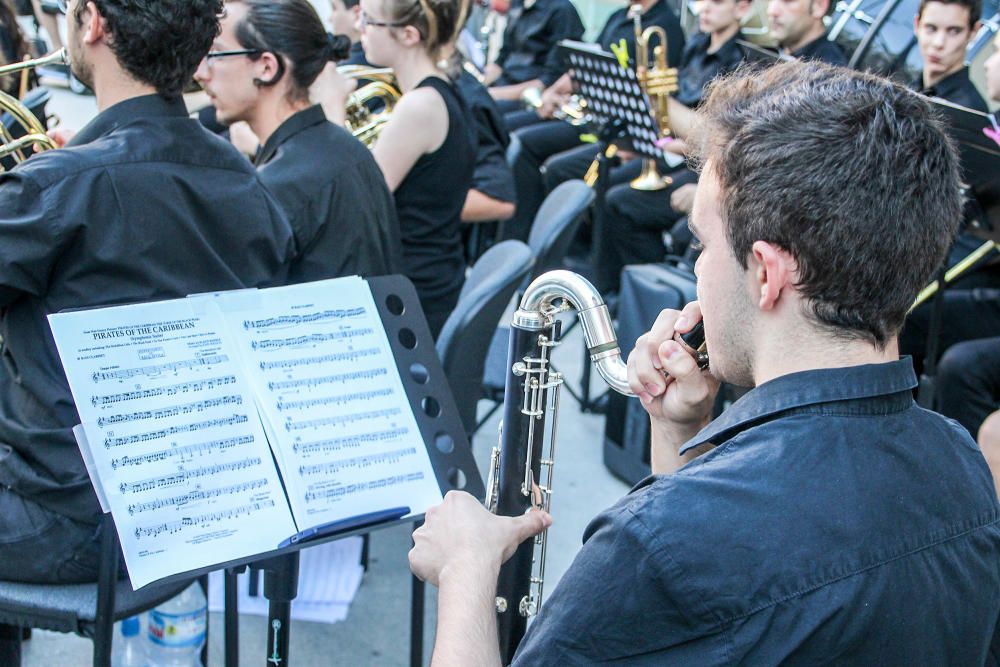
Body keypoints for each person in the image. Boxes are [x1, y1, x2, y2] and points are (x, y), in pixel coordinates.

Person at [408, 61, 1000, 663]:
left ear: (766, 274)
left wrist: (466, 571)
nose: (696, 267)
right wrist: (679, 433)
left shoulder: (651, 543)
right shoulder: (965, 466)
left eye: (702, 243)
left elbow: (702, 554)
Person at [0, 0, 294, 595]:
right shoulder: (248, 184)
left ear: (93, 23)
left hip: (71, 521)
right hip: (195, 508)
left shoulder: (59, 187)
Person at [194, 0, 401, 283]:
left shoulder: (280, 186)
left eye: (216, 54)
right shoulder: (349, 149)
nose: (201, 73)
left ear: (266, 67)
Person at [322, 0, 476, 337]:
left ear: (408, 34)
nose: (360, 30)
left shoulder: (419, 105)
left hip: (412, 293)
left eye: (371, 22)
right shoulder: (438, 90)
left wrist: (332, 110)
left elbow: (357, 200)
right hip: (429, 272)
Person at [504, 0, 685, 241]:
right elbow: (591, 62)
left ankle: (553, 249)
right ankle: (523, 240)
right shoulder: (618, 17)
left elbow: (659, 97)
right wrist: (556, 91)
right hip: (597, 116)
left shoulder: (666, 25)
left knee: (555, 164)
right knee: (521, 138)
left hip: (626, 129)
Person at [483, 0, 584, 108]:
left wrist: (490, 94)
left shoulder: (562, 10)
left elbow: (548, 80)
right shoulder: (517, 4)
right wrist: (478, 86)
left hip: (531, 97)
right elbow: (501, 60)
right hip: (504, 85)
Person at [912, 0, 988, 112]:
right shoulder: (903, 84)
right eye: (931, 28)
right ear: (917, 24)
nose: (938, 43)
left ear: (974, 32)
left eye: (954, 31)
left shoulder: (971, 111)